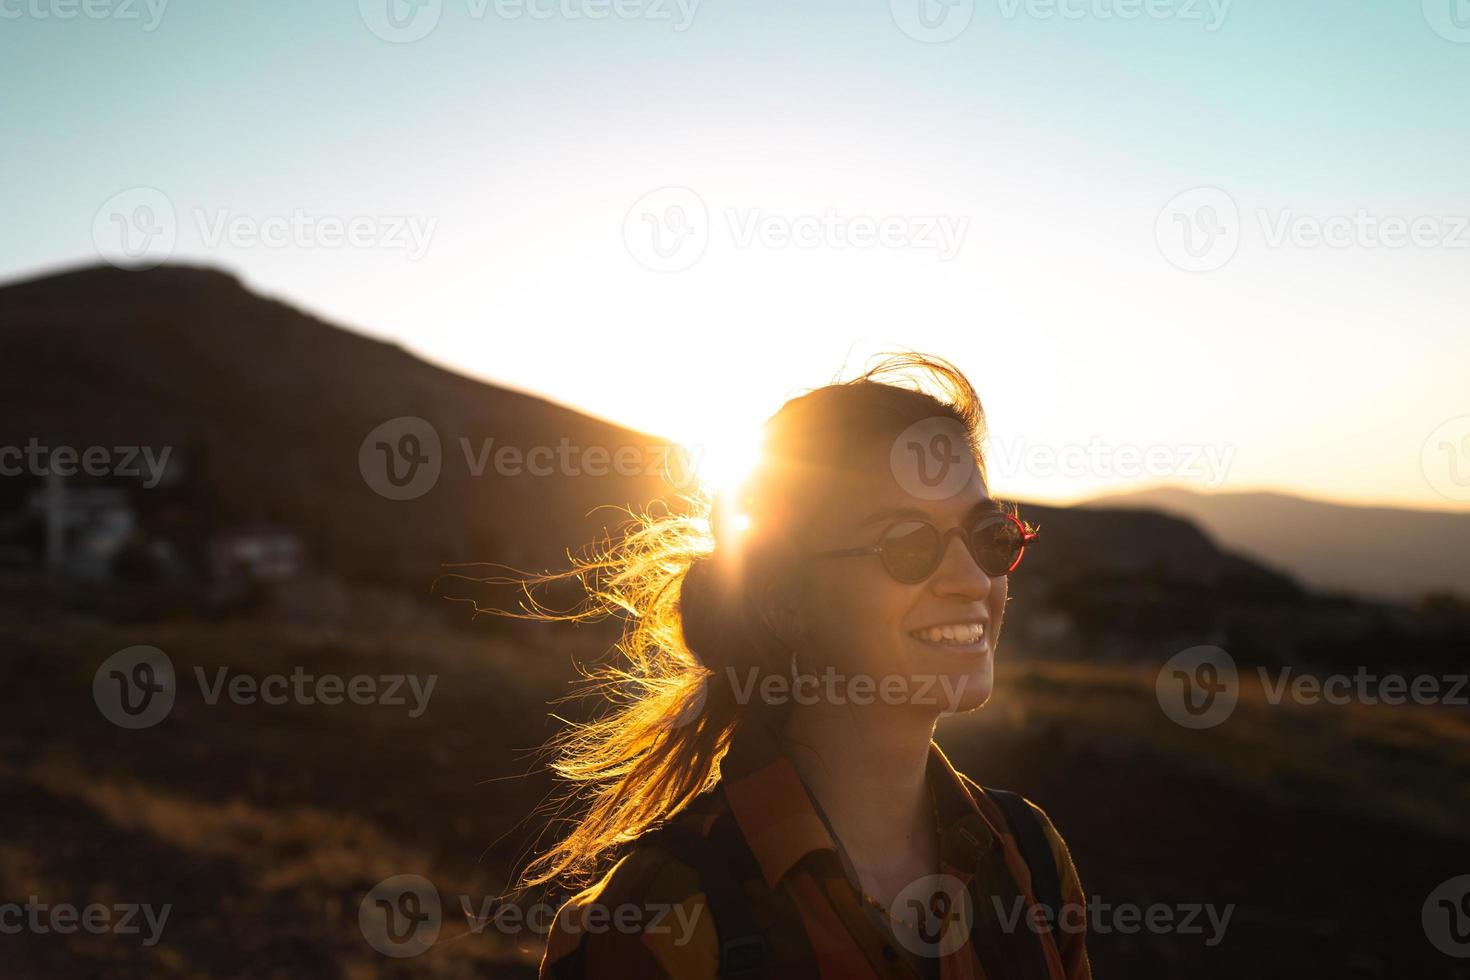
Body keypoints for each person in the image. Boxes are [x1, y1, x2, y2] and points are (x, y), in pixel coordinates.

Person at [518, 353, 1091, 979]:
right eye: (906, 543)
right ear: (787, 599)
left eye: (989, 536)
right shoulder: (660, 919)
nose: (969, 579)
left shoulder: (1029, 858)